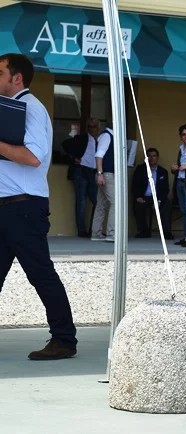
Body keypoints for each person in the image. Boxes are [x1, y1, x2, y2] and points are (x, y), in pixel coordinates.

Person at [0, 53, 78, 360]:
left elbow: (33, 157)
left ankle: (64, 339)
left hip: (23, 207)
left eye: (0, 73)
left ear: (16, 77)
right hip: (10, 205)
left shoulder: (30, 108)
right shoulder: (12, 108)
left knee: (41, 274)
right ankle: (63, 337)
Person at [61, 119, 99, 237]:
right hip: (80, 170)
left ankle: (94, 230)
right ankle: (81, 231)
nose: (92, 129)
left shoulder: (100, 140)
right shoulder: (82, 138)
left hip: (92, 172)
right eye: (90, 126)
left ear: (98, 127)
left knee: (97, 201)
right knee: (81, 201)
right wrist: (74, 158)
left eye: (94, 126)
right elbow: (65, 144)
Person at [131, 147, 173, 239]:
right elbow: (135, 184)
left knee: (167, 205)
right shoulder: (140, 169)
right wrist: (138, 196)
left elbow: (165, 189)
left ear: (157, 157)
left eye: (154, 156)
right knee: (138, 206)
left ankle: (166, 232)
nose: (151, 158)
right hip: (144, 197)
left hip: (158, 197)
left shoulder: (163, 171)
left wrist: (159, 200)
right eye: (149, 156)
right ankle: (144, 231)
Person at [91, 122, 115, 242]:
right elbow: (99, 155)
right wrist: (100, 173)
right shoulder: (107, 136)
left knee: (101, 204)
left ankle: (96, 233)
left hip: (105, 174)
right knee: (115, 203)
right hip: (107, 174)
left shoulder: (111, 136)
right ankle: (112, 233)